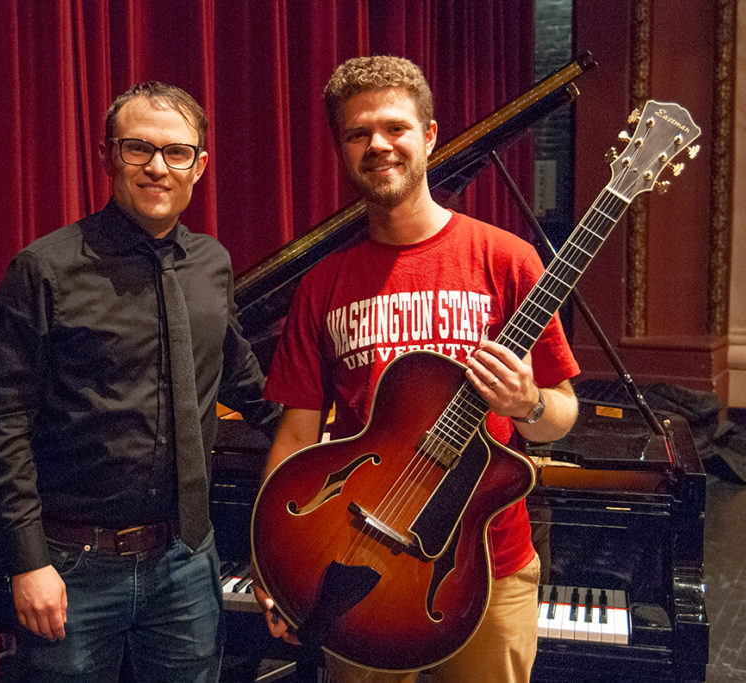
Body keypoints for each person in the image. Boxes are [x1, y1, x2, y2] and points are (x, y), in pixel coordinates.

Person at [254, 56, 580, 682]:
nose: (379, 144)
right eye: (358, 133)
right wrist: (276, 563)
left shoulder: (508, 260)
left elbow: (559, 418)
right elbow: (296, 435)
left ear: (430, 135)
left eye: (396, 127)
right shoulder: (322, 285)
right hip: (354, 560)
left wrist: (526, 403)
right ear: (343, 150)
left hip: (487, 565)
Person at [0, 81, 279, 682]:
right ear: (109, 155)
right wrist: (27, 561)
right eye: (138, 147)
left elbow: (248, 386)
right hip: (71, 565)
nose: (158, 167)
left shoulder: (212, 265)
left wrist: (347, 446)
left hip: (186, 563)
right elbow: (6, 425)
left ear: (200, 164)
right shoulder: (44, 270)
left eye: (176, 152)